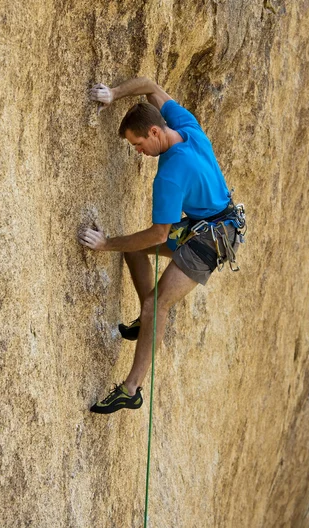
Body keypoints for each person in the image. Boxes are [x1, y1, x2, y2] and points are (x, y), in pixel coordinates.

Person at [78, 77, 244, 414]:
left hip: (211, 241)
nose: (138, 152)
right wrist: (114, 94)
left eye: (138, 145)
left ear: (154, 133)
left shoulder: (169, 174)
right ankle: (146, 322)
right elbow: (150, 85)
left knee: (157, 305)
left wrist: (106, 243)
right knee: (133, 250)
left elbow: (157, 234)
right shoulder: (185, 125)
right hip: (208, 223)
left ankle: (131, 389)